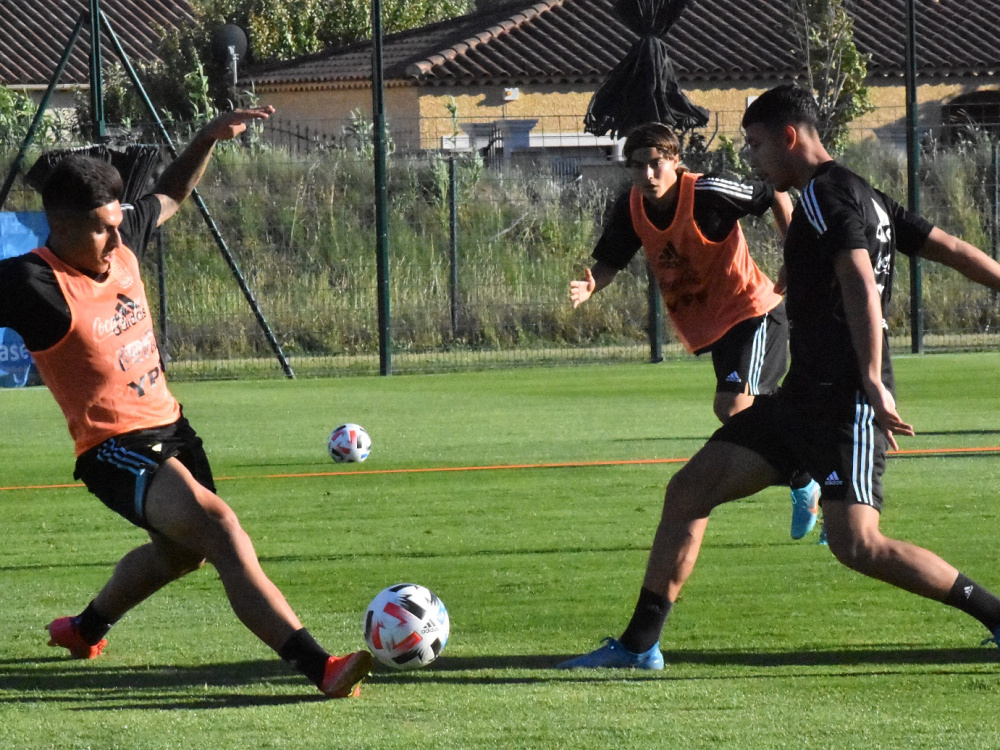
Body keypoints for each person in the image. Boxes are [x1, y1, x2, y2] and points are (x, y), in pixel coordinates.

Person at [560, 84, 1000, 670]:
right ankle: (639, 646)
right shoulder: (861, 193)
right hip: (800, 398)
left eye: (756, 144)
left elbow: (859, 282)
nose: (753, 158)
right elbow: (950, 247)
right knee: (688, 491)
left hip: (844, 399)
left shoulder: (822, 195)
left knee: (858, 545)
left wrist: (872, 378)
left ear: (789, 137)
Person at [0, 107, 373, 698]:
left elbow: (169, 194)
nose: (117, 239)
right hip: (113, 448)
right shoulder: (29, 284)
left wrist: (206, 138)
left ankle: (85, 629)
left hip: (172, 428)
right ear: (61, 226)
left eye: (118, 224)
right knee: (220, 530)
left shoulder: (120, 241)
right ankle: (320, 667)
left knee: (181, 556)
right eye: (101, 229)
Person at [570, 122, 821, 540]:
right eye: (637, 166)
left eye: (656, 164)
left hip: (754, 311)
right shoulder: (631, 207)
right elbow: (610, 262)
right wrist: (592, 284)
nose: (647, 175)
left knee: (734, 409)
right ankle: (812, 473)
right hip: (718, 327)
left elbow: (773, 193)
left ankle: (814, 474)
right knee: (754, 417)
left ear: (675, 160)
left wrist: (794, 252)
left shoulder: (708, 191)